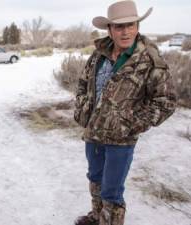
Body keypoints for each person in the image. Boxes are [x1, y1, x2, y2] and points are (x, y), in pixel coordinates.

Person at [73, 1, 177, 225]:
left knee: (112, 190)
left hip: (121, 140)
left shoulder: (150, 60)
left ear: (137, 26)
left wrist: (130, 123)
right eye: (119, 27)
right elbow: (83, 84)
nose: (126, 31)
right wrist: (82, 108)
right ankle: (97, 217)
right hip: (93, 133)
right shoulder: (98, 55)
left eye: (130, 25)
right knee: (95, 179)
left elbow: (165, 102)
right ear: (109, 29)